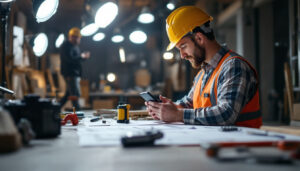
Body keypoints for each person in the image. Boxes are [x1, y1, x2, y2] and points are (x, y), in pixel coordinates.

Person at [145, 6, 262, 128]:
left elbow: (226, 113)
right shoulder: (203, 73)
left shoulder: (234, 66)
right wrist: (169, 108)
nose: (182, 55)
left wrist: (177, 114)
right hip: (217, 142)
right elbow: (189, 103)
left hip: (242, 143)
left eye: (183, 46)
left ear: (200, 38)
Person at [59, 27, 90, 111]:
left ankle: (56, 108)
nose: (77, 39)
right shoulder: (66, 46)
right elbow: (70, 59)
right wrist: (81, 56)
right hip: (70, 74)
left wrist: (83, 57)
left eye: (78, 37)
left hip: (75, 74)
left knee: (69, 93)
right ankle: (78, 112)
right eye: (75, 37)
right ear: (70, 36)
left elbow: (77, 59)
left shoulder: (75, 46)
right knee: (74, 94)